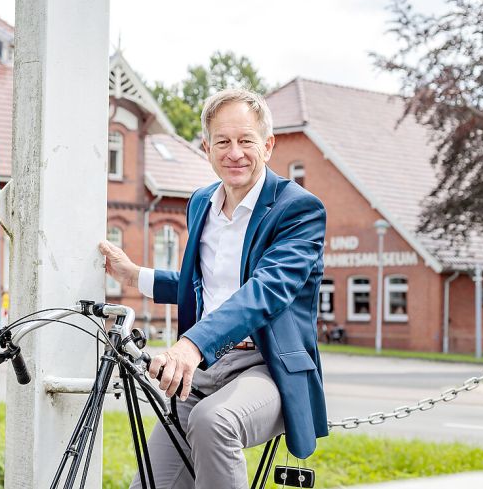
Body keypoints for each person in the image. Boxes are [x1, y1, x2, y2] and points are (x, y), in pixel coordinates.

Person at [99, 88, 327, 489]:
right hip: (204, 370)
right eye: (222, 141)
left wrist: (190, 345)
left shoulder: (299, 209)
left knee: (213, 421)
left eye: (245, 141)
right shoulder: (201, 202)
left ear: (268, 145)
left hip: (266, 367)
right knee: (151, 483)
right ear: (206, 147)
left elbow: (264, 291)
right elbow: (205, 287)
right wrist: (134, 276)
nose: (234, 152)